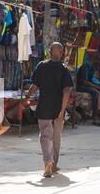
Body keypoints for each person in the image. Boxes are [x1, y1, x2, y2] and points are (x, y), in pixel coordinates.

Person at [25, 42, 73, 178]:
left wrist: (26, 98)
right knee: (56, 138)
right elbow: (67, 91)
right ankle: (54, 164)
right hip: (58, 108)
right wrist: (62, 111)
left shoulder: (41, 66)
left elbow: (34, 86)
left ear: (50, 52)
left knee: (46, 137)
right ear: (61, 53)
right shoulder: (64, 69)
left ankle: (48, 163)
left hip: (44, 107)